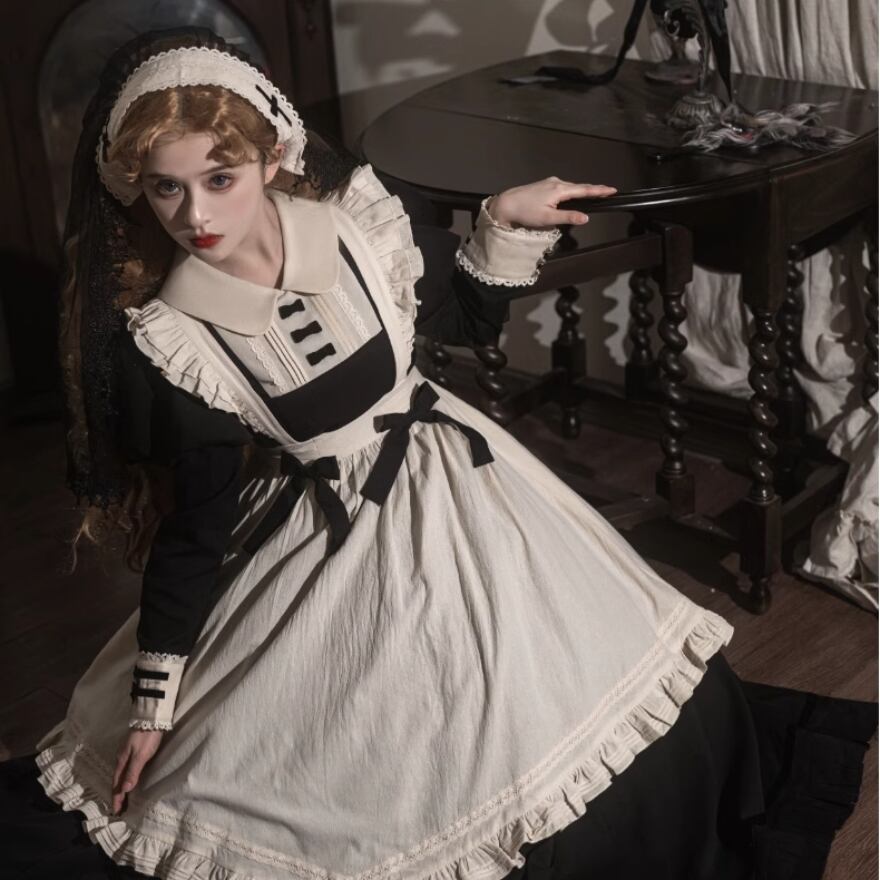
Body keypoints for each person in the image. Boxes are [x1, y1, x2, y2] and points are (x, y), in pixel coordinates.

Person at [0, 27, 874, 880]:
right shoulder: (174, 339)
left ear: (270, 159)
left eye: (219, 178)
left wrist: (502, 225)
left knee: (562, 679)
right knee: (384, 757)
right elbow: (197, 525)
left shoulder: (357, 227)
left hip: (464, 480)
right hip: (333, 533)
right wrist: (154, 703)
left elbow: (454, 320)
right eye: (166, 189)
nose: (195, 215)